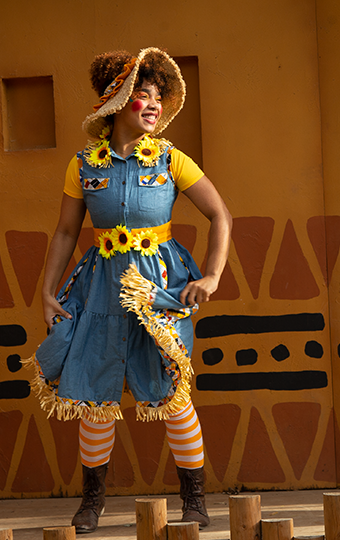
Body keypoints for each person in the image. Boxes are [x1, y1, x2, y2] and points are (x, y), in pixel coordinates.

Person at [23, 47, 232, 532]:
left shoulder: (172, 159)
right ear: (117, 102)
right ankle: (91, 502)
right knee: (94, 395)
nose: (154, 104)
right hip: (98, 291)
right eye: (143, 95)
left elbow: (221, 216)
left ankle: (194, 500)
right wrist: (47, 291)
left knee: (171, 394)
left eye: (158, 96)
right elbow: (65, 234)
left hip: (161, 291)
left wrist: (212, 276)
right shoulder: (82, 166)